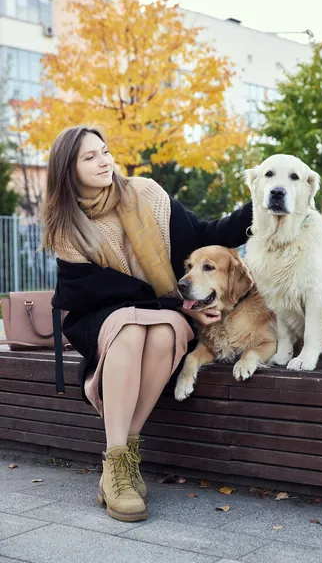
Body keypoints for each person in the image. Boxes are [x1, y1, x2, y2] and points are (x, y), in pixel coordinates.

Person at [45, 125, 252, 523]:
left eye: (105, 152)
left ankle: (120, 461)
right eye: (90, 157)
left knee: (163, 330)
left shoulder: (147, 194)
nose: (104, 161)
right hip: (100, 315)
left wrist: (260, 206)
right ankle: (119, 461)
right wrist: (180, 306)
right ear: (68, 170)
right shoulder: (67, 229)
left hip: (159, 310)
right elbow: (102, 293)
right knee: (132, 325)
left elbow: (205, 234)